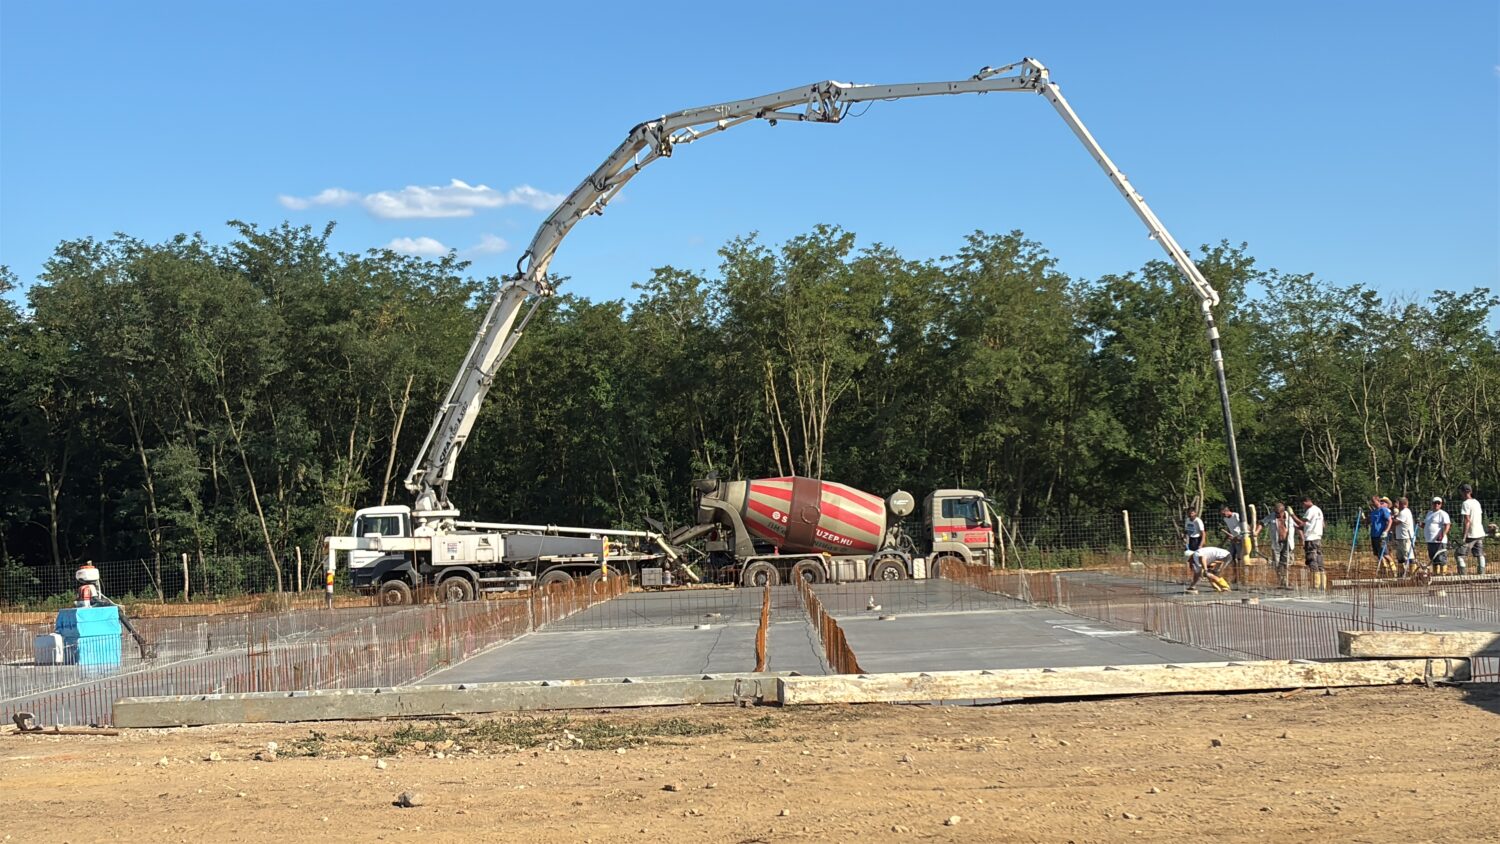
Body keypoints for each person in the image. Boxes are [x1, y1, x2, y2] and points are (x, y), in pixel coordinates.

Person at [1256, 501, 1297, 589]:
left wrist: (1302, 538)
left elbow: (1298, 526)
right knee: (1276, 563)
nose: (1277, 514)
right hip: (1276, 543)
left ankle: (1286, 581)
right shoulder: (1272, 516)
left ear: (1283, 511)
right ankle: (1281, 581)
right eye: (1275, 512)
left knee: (1286, 563)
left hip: (1288, 543)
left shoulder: (1290, 517)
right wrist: (1256, 532)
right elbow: (1262, 523)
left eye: (1278, 513)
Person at [1292, 496, 1326, 591]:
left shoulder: (1310, 510)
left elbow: (1301, 523)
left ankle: (1315, 585)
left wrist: (1292, 515)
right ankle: (1322, 585)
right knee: (1319, 559)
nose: (1303, 507)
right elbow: (1323, 525)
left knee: (1312, 560)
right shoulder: (1318, 510)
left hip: (1311, 538)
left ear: (1305, 502)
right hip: (1318, 538)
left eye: (1302, 505)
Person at [1456, 484, 1487, 576]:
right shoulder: (1476, 502)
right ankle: (1482, 575)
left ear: (1462, 492)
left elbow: (1467, 521)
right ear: (1470, 491)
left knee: (1459, 554)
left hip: (1471, 534)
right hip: (1480, 533)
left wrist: (1464, 536)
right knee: (1479, 554)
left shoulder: (1465, 503)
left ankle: (1463, 576)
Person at [1424, 496, 1451, 575]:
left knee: (1441, 558)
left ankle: (1443, 574)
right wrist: (1420, 524)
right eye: (1435, 503)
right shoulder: (1429, 513)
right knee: (1433, 558)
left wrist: (1442, 535)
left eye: (1438, 503)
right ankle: (1436, 574)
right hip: (1430, 540)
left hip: (1439, 541)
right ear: (1432, 504)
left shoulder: (1443, 514)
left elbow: (1447, 525)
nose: (1436, 504)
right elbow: (1426, 525)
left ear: (1441, 504)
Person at [1391, 496, 1417, 577]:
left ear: (1402, 504)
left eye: (1398, 504)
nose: (1396, 505)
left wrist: (1391, 518)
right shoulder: (1402, 512)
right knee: (1400, 557)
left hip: (1406, 537)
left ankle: (1412, 574)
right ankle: (1401, 573)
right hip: (1400, 537)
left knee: (1408, 555)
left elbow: (1396, 522)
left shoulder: (1404, 512)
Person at [1368, 495, 1393, 576]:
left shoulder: (1383, 510)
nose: (1372, 503)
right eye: (1371, 502)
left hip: (1381, 535)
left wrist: (1386, 531)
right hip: (1374, 535)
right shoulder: (1373, 512)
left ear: (1378, 501)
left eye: (1373, 501)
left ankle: (1394, 570)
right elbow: (1369, 522)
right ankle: (1384, 570)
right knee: (1378, 554)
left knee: (1385, 553)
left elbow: (1390, 521)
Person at [1219, 503, 1246, 577]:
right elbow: (1230, 529)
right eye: (1221, 514)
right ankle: (1235, 575)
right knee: (1230, 556)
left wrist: (1239, 537)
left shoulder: (1236, 516)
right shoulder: (1225, 519)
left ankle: (1242, 575)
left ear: (1227, 511)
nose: (1223, 515)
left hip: (1240, 539)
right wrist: (1224, 541)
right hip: (1233, 539)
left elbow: (1244, 527)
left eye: (1223, 514)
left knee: (1240, 557)